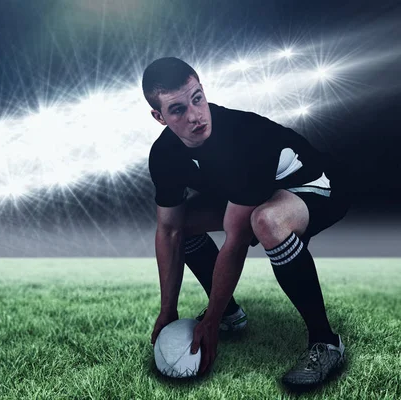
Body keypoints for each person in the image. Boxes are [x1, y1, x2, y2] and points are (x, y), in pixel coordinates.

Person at [143, 57, 350, 387]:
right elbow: (168, 230)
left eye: (197, 98)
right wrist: (167, 309)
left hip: (317, 185)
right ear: (159, 116)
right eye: (178, 109)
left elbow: (236, 239)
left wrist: (207, 321)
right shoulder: (164, 155)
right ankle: (230, 315)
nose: (195, 115)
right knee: (184, 223)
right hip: (259, 191)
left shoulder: (241, 140)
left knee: (265, 221)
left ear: (203, 91)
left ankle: (325, 342)